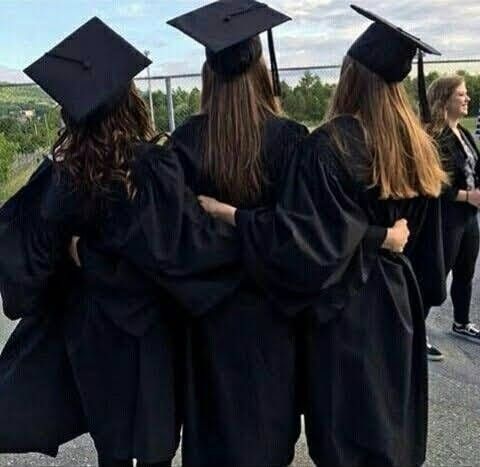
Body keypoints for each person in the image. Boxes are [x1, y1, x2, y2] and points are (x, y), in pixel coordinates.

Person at [199, 6, 448, 466]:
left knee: (345, 439)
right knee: (392, 431)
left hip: (345, 310)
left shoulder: (328, 147)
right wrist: (394, 253)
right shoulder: (420, 148)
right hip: (397, 304)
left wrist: (233, 216)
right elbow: (427, 252)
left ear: (350, 75)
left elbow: (306, 244)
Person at [0, 17, 238, 467]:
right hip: (149, 332)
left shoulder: (61, 176)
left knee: (112, 445)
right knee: (154, 446)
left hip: (91, 334)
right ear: (130, 103)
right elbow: (180, 252)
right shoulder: (152, 170)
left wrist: (84, 255)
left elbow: (25, 258)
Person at [165, 2, 309, 466]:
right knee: (267, 440)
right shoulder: (289, 138)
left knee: (213, 441)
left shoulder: (184, 141)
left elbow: (175, 243)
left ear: (209, 72)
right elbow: (298, 239)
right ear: (261, 70)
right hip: (270, 316)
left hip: (208, 320)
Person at [424, 76, 480, 358]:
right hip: (446, 217)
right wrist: (467, 196)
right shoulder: (435, 137)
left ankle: (461, 322)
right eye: (461, 94)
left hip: (469, 217)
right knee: (437, 272)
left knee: (465, 271)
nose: (467, 98)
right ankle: (415, 331)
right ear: (445, 99)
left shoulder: (465, 134)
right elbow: (434, 184)